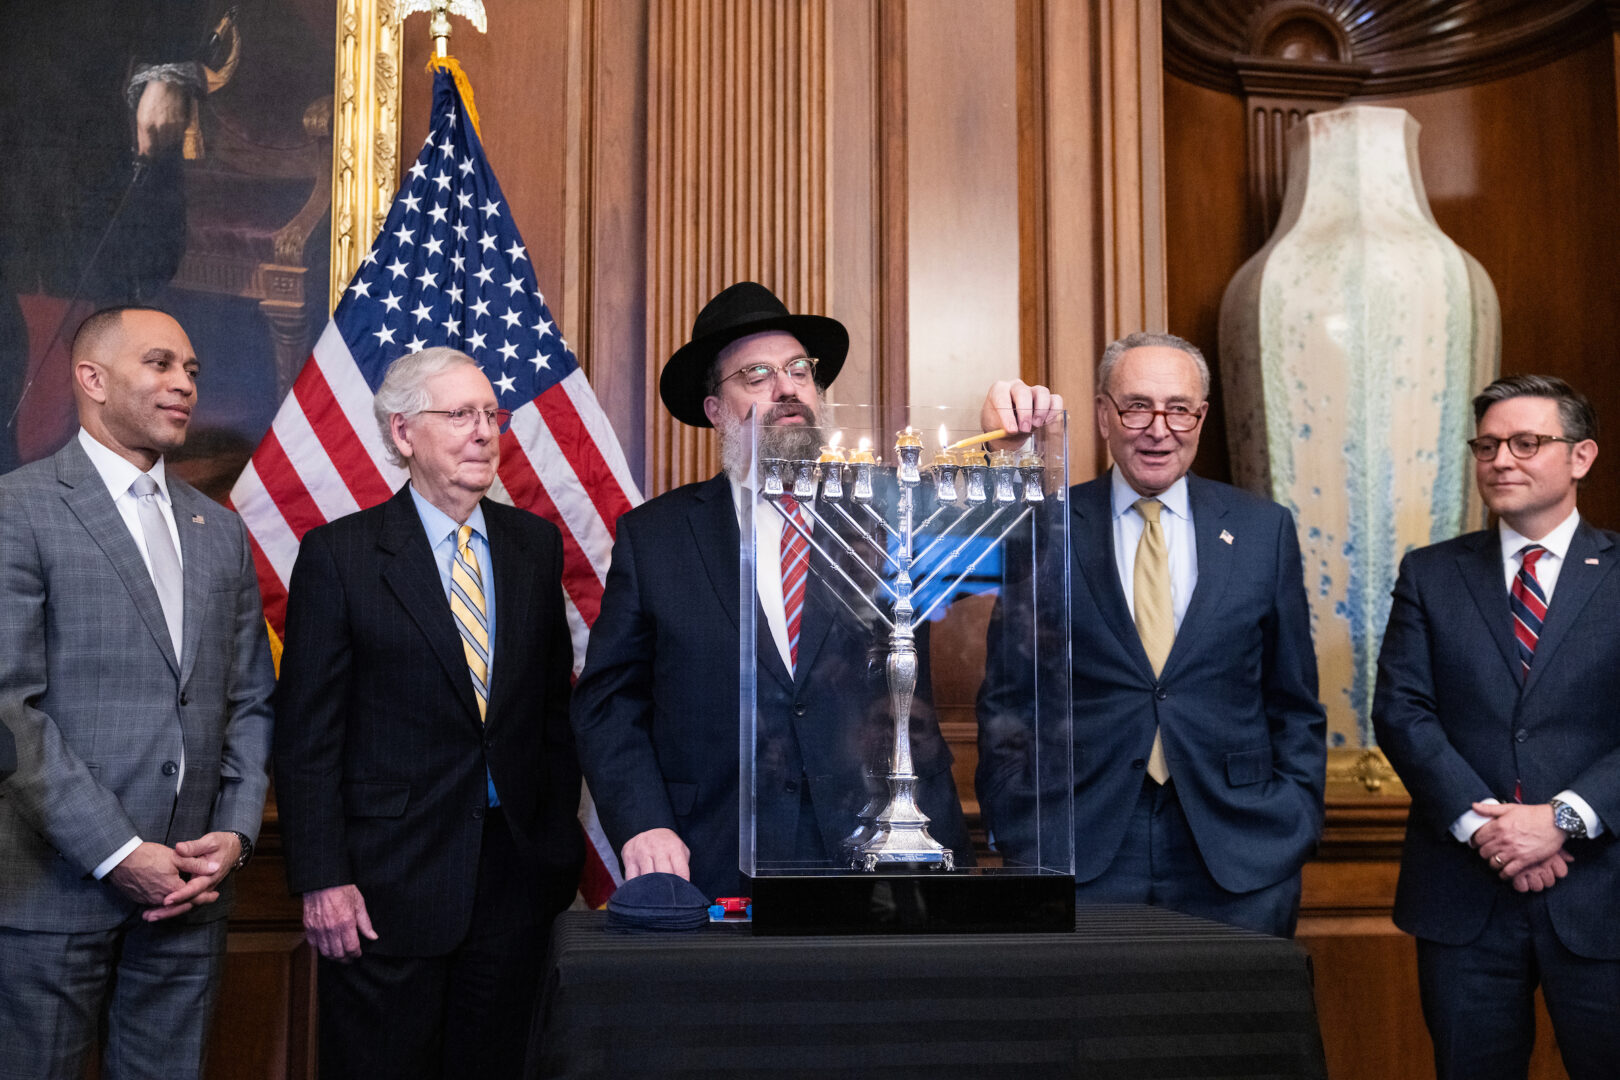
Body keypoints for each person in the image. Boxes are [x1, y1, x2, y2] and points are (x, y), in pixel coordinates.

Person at [571, 281, 971, 900]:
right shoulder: (657, 538)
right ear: (715, 410)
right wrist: (643, 821)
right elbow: (608, 704)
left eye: (798, 370)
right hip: (715, 854)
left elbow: (1009, 551)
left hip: (887, 854)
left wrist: (1016, 442)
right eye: (756, 376)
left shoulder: (895, 511)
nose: (786, 389)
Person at [272, 348, 583, 1078]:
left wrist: (554, 844)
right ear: (403, 432)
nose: (483, 432)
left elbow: (549, 712)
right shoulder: (339, 556)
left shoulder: (532, 546)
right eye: (460, 415)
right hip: (386, 890)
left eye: (490, 415)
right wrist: (322, 876)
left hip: (516, 880)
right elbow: (307, 736)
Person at [0, 305, 275, 1079]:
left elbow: (251, 700)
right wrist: (118, 852)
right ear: (91, 378)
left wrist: (235, 830)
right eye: (160, 365)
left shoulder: (219, 530)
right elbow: (7, 710)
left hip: (191, 897)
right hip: (51, 896)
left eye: (191, 371)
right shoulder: (17, 510)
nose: (183, 384)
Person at [976, 330, 1326, 936]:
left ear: (1201, 418)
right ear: (1103, 416)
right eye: (1136, 406)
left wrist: (1292, 818)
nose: (1158, 428)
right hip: (1081, 846)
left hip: (1237, 851)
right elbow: (1008, 697)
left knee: (1233, 1032)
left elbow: (1292, 699)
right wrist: (1020, 822)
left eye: (1179, 409)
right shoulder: (1044, 526)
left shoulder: (1263, 530)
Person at [1372, 373, 1618, 1079]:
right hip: (1463, 893)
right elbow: (1401, 710)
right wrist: (1490, 829)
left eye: (1525, 442)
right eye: (1487, 445)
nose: (1501, 460)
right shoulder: (1431, 573)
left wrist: (1563, 819)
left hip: (1602, 892)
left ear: (1581, 456)